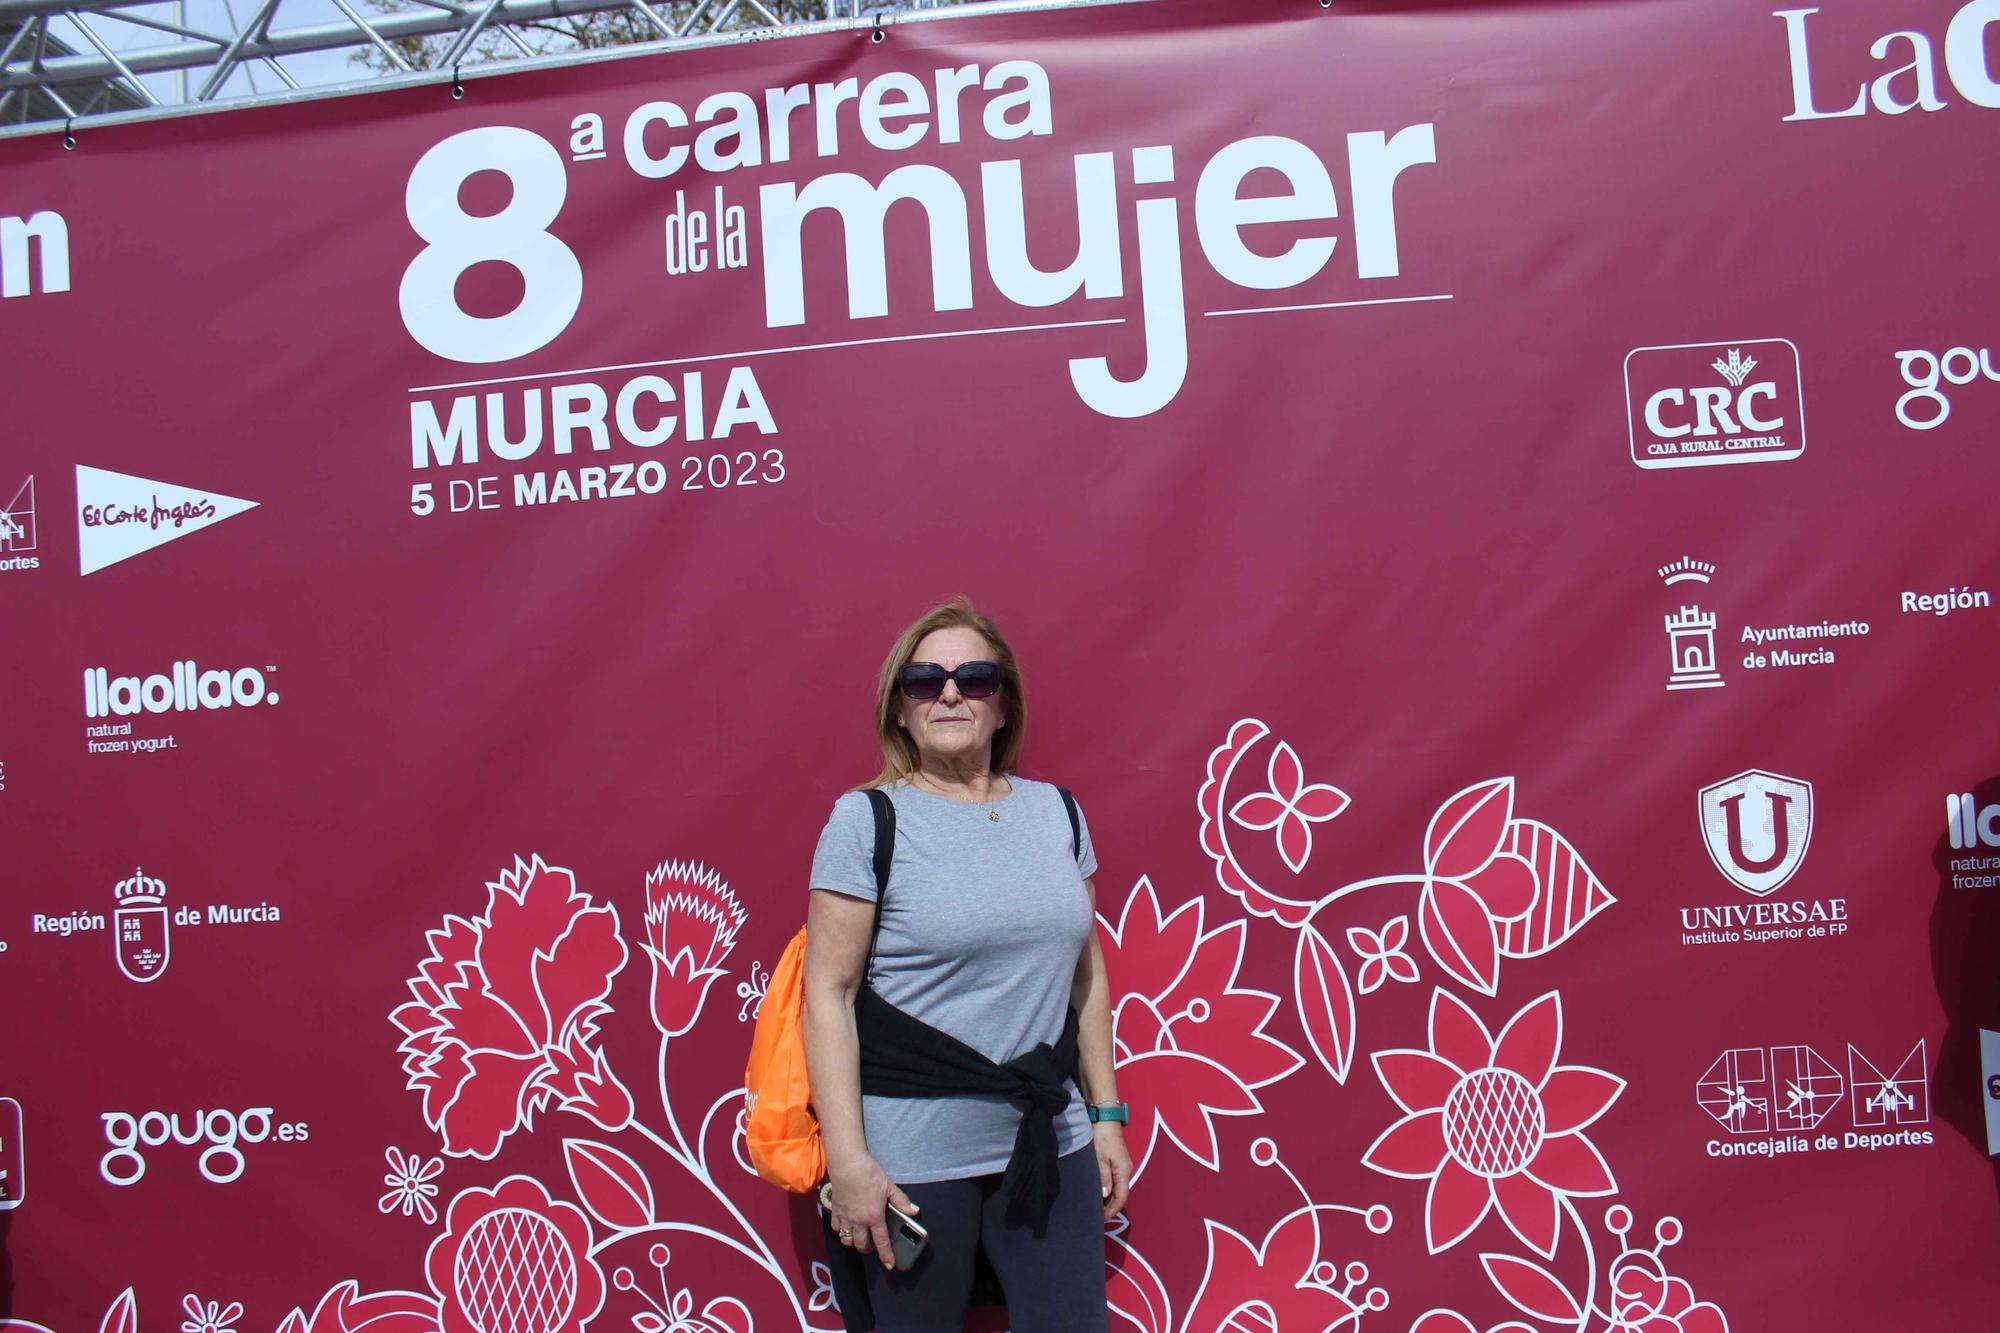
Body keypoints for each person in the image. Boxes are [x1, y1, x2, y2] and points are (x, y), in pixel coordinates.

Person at [803, 598, 1130, 1332]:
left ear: (1004, 705)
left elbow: (1086, 977)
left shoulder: (1059, 814)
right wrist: (849, 1161)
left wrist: (1106, 1116)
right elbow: (829, 992)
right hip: (911, 1162)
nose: (950, 692)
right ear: (899, 710)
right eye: (924, 680)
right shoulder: (867, 820)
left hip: (1049, 1141)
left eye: (975, 677)